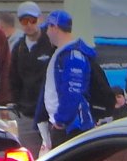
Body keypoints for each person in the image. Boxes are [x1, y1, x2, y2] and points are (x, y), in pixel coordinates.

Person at [37, 10, 113, 145]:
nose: (47, 33)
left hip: (72, 127)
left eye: (48, 28)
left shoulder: (73, 55)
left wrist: (61, 121)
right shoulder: (63, 53)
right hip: (65, 125)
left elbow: (72, 90)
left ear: (55, 27)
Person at [9, 1, 54, 154]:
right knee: (30, 157)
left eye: (32, 20)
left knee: (55, 155)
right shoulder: (18, 48)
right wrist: (17, 104)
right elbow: (13, 79)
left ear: (40, 19)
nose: (28, 25)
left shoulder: (50, 43)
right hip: (27, 112)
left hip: (50, 113)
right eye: (24, 21)